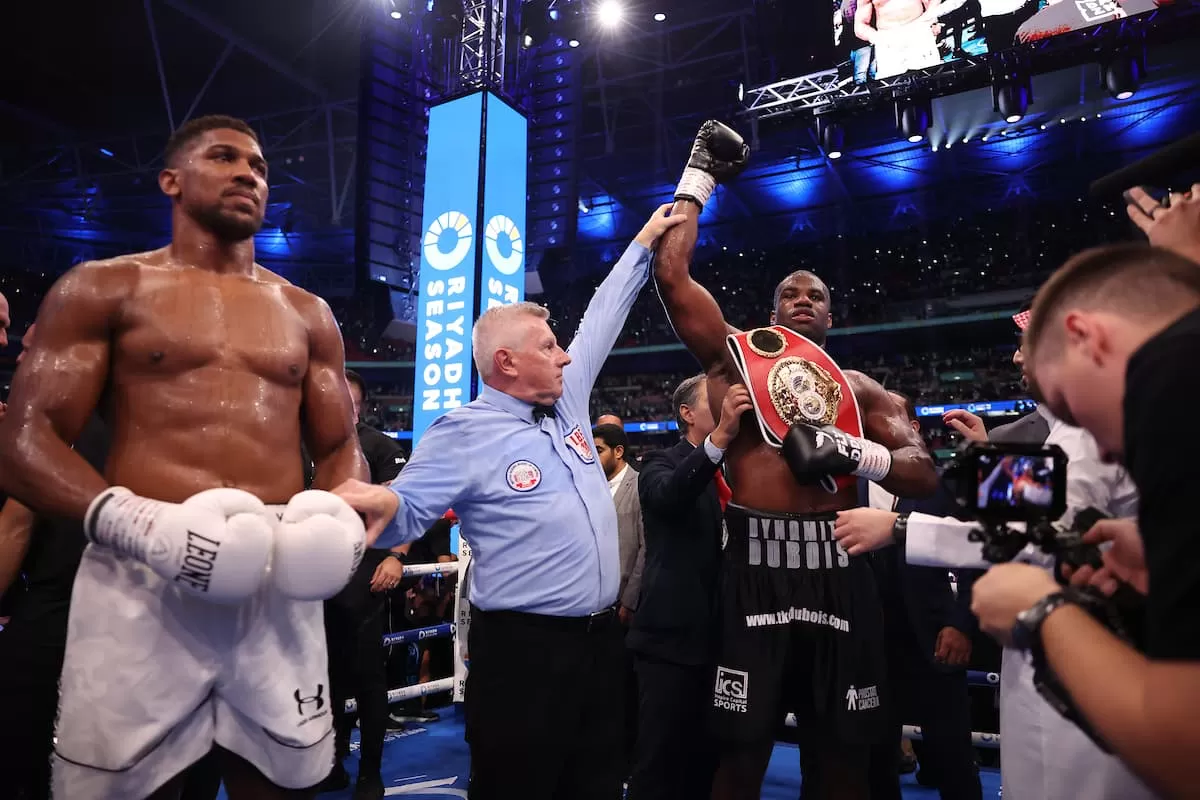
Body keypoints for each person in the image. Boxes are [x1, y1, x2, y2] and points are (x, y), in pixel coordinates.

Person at [0, 114, 371, 799]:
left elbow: (341, 447)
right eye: (225, 158)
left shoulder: (307, 312)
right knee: (129, 791)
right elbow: (25, 444)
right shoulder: (104, 288)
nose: (247, 175)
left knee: (282, 785)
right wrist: (141, 526)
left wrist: (340, 520)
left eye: (258, 166)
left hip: (273, 579)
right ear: (171, 180)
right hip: (142, 576)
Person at [331, 206, 686, 800]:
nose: (566, 356)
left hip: (601, 648)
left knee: (597, 785)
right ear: (507, 363)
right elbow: (406, 511)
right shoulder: (461, 431)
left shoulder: (569, 400)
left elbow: (604, 314)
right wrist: (371, 503)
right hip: (524, 653)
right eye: (549, 347)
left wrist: (645, 241)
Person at [652, 120, 938, 800]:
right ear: (773, 312)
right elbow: (671, 274)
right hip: (755, 567)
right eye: (790, 295)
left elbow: (923, 470)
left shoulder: (865, 392)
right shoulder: (737, 361)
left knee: (842, 753)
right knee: (740, 750)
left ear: (831, 317)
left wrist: (849, 451)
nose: (803, 300)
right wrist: (700, 177)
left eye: (816, 296)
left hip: (842, 567)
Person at [833, 302, 1152, 800]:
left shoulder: (1089, 431)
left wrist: (897, 529)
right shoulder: (1062, 429)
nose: (1016, 361)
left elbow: (1028, 535)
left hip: (1086, 645)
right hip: (1048, 643)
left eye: (1026, 349)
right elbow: (1001, 516)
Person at [971, 242, 1200, 800]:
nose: (1102, 447)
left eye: (1073, 409)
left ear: (1086, 337)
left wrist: (1043, 610)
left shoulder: (1175, 386)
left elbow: (1185, 752)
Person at [626, 374, 752, 800]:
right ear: (687, 413)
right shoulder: (658, 462)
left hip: (727, 642)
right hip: (670, 643)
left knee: (709, 762)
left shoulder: (743, 471)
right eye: (711, 399)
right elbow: (670, 496)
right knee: (659, 761)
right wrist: (718, 442)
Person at [862, 391, 981, 800]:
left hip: (934, 633)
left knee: (952, 757)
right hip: (869, 641)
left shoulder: (942, 481)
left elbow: (974, 553)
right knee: (877, 758)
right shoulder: (847, 487)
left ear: (911, 427)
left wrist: (960, 623)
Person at [320, 370, 410, 799]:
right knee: (326, 676)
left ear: (361, 405)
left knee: (369, 678)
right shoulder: (308, 445)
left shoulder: (378, 446)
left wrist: (397, 556)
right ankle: (332, 762)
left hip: (365, 576)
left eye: (349, 401)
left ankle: (370, 772)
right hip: (314, 578)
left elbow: (406, 505)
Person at [854, 0, 944, 79]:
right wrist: (876, 37)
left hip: (918, 31)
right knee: (892, 89)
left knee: (932, 78)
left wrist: (932, 19)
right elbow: (860, 25)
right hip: (888, 40)